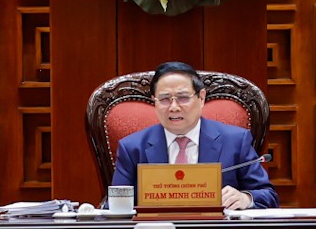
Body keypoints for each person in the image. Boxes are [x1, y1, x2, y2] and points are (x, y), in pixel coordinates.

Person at [110, 61, 277, 210]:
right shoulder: (132, 148)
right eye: (164, 99)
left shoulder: (235, 141)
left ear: (201, 98)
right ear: (154, 101)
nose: (174, 107)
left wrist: (245, 198)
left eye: (183, 98)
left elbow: (268, 196)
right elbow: (114, 205)